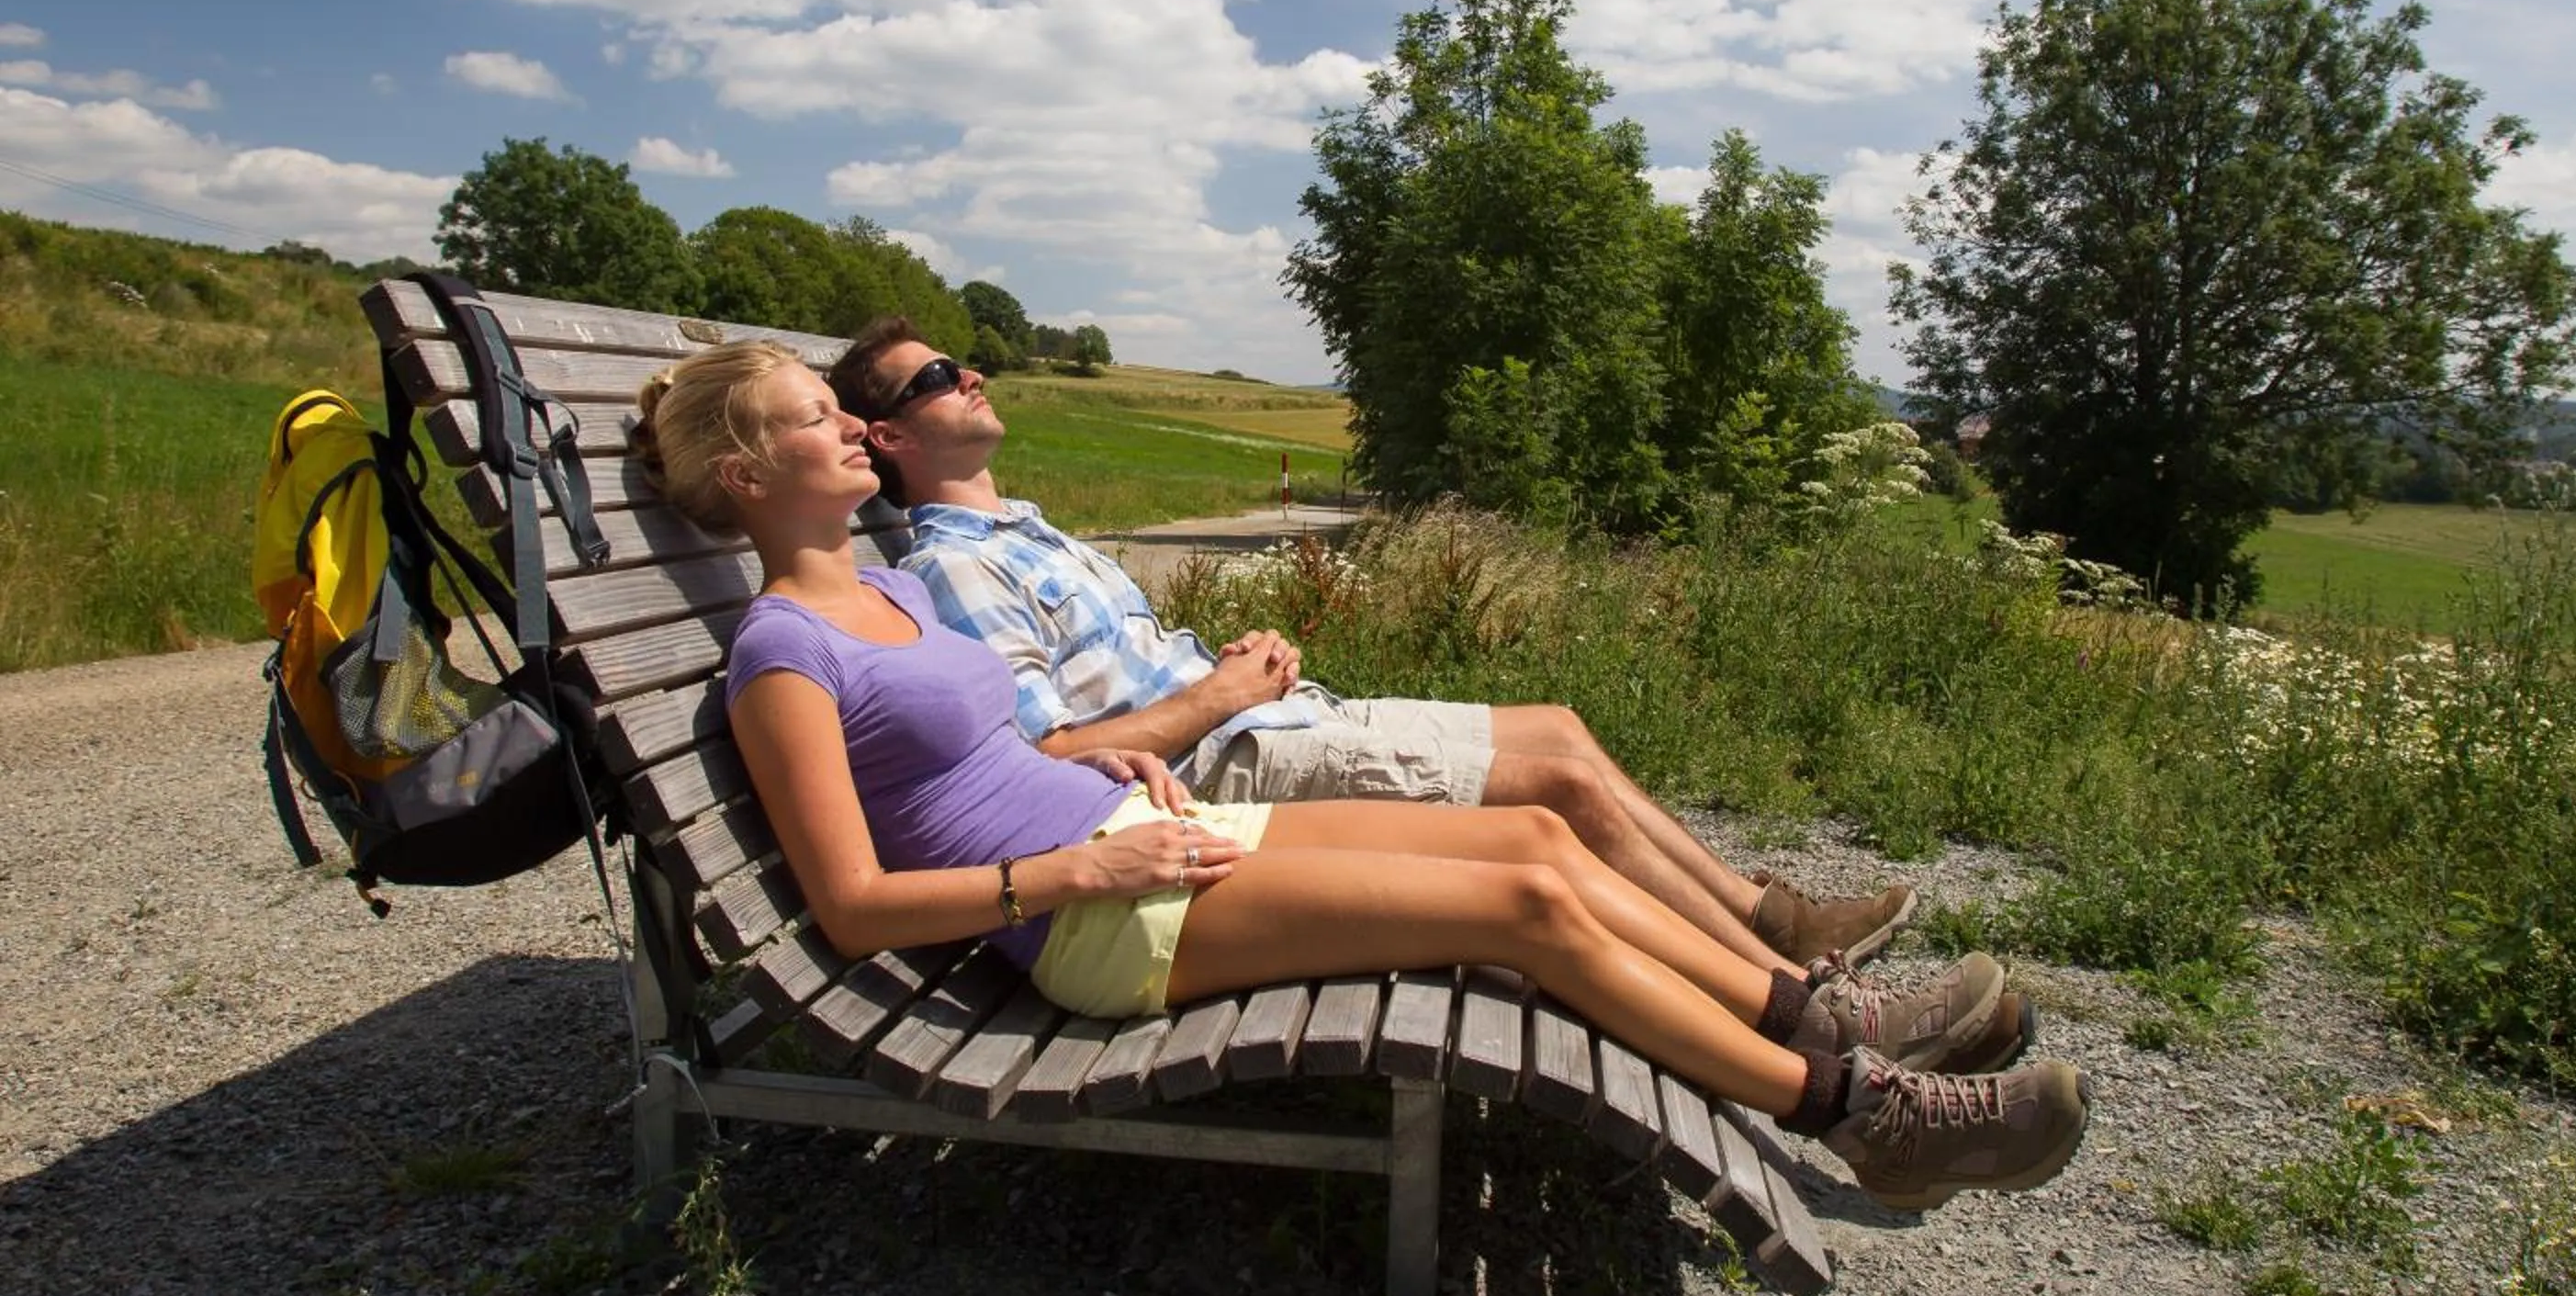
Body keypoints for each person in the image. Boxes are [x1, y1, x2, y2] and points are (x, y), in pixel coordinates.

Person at [626, 340, 2090, 1211]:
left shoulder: (889, 598)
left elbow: (994, 752)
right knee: (1517, 914)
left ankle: (1812, 1010)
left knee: (1536, 846)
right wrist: (1081, 865)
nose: (847, 425)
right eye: (816, 417)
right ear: (749, 480)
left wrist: (1131, 777)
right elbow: (857, 903)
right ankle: (1863, 1117)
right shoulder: (780, 650)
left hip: (1147, 833)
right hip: (1092, 921)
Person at [826, 322, 1983, 1009]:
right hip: (1226, 773)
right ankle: (1809, 1003)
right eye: (937, 379)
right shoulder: (954, 570)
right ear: (890, 436)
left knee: (1564, 729)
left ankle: (1768, 920)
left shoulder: (1029, 527)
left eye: (964, 363)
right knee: (1561, 792)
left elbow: (1119, 679)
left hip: (1261, 721)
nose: (970, 377)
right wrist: (1221, 693)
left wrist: (1230, 663)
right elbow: (1049, 759)